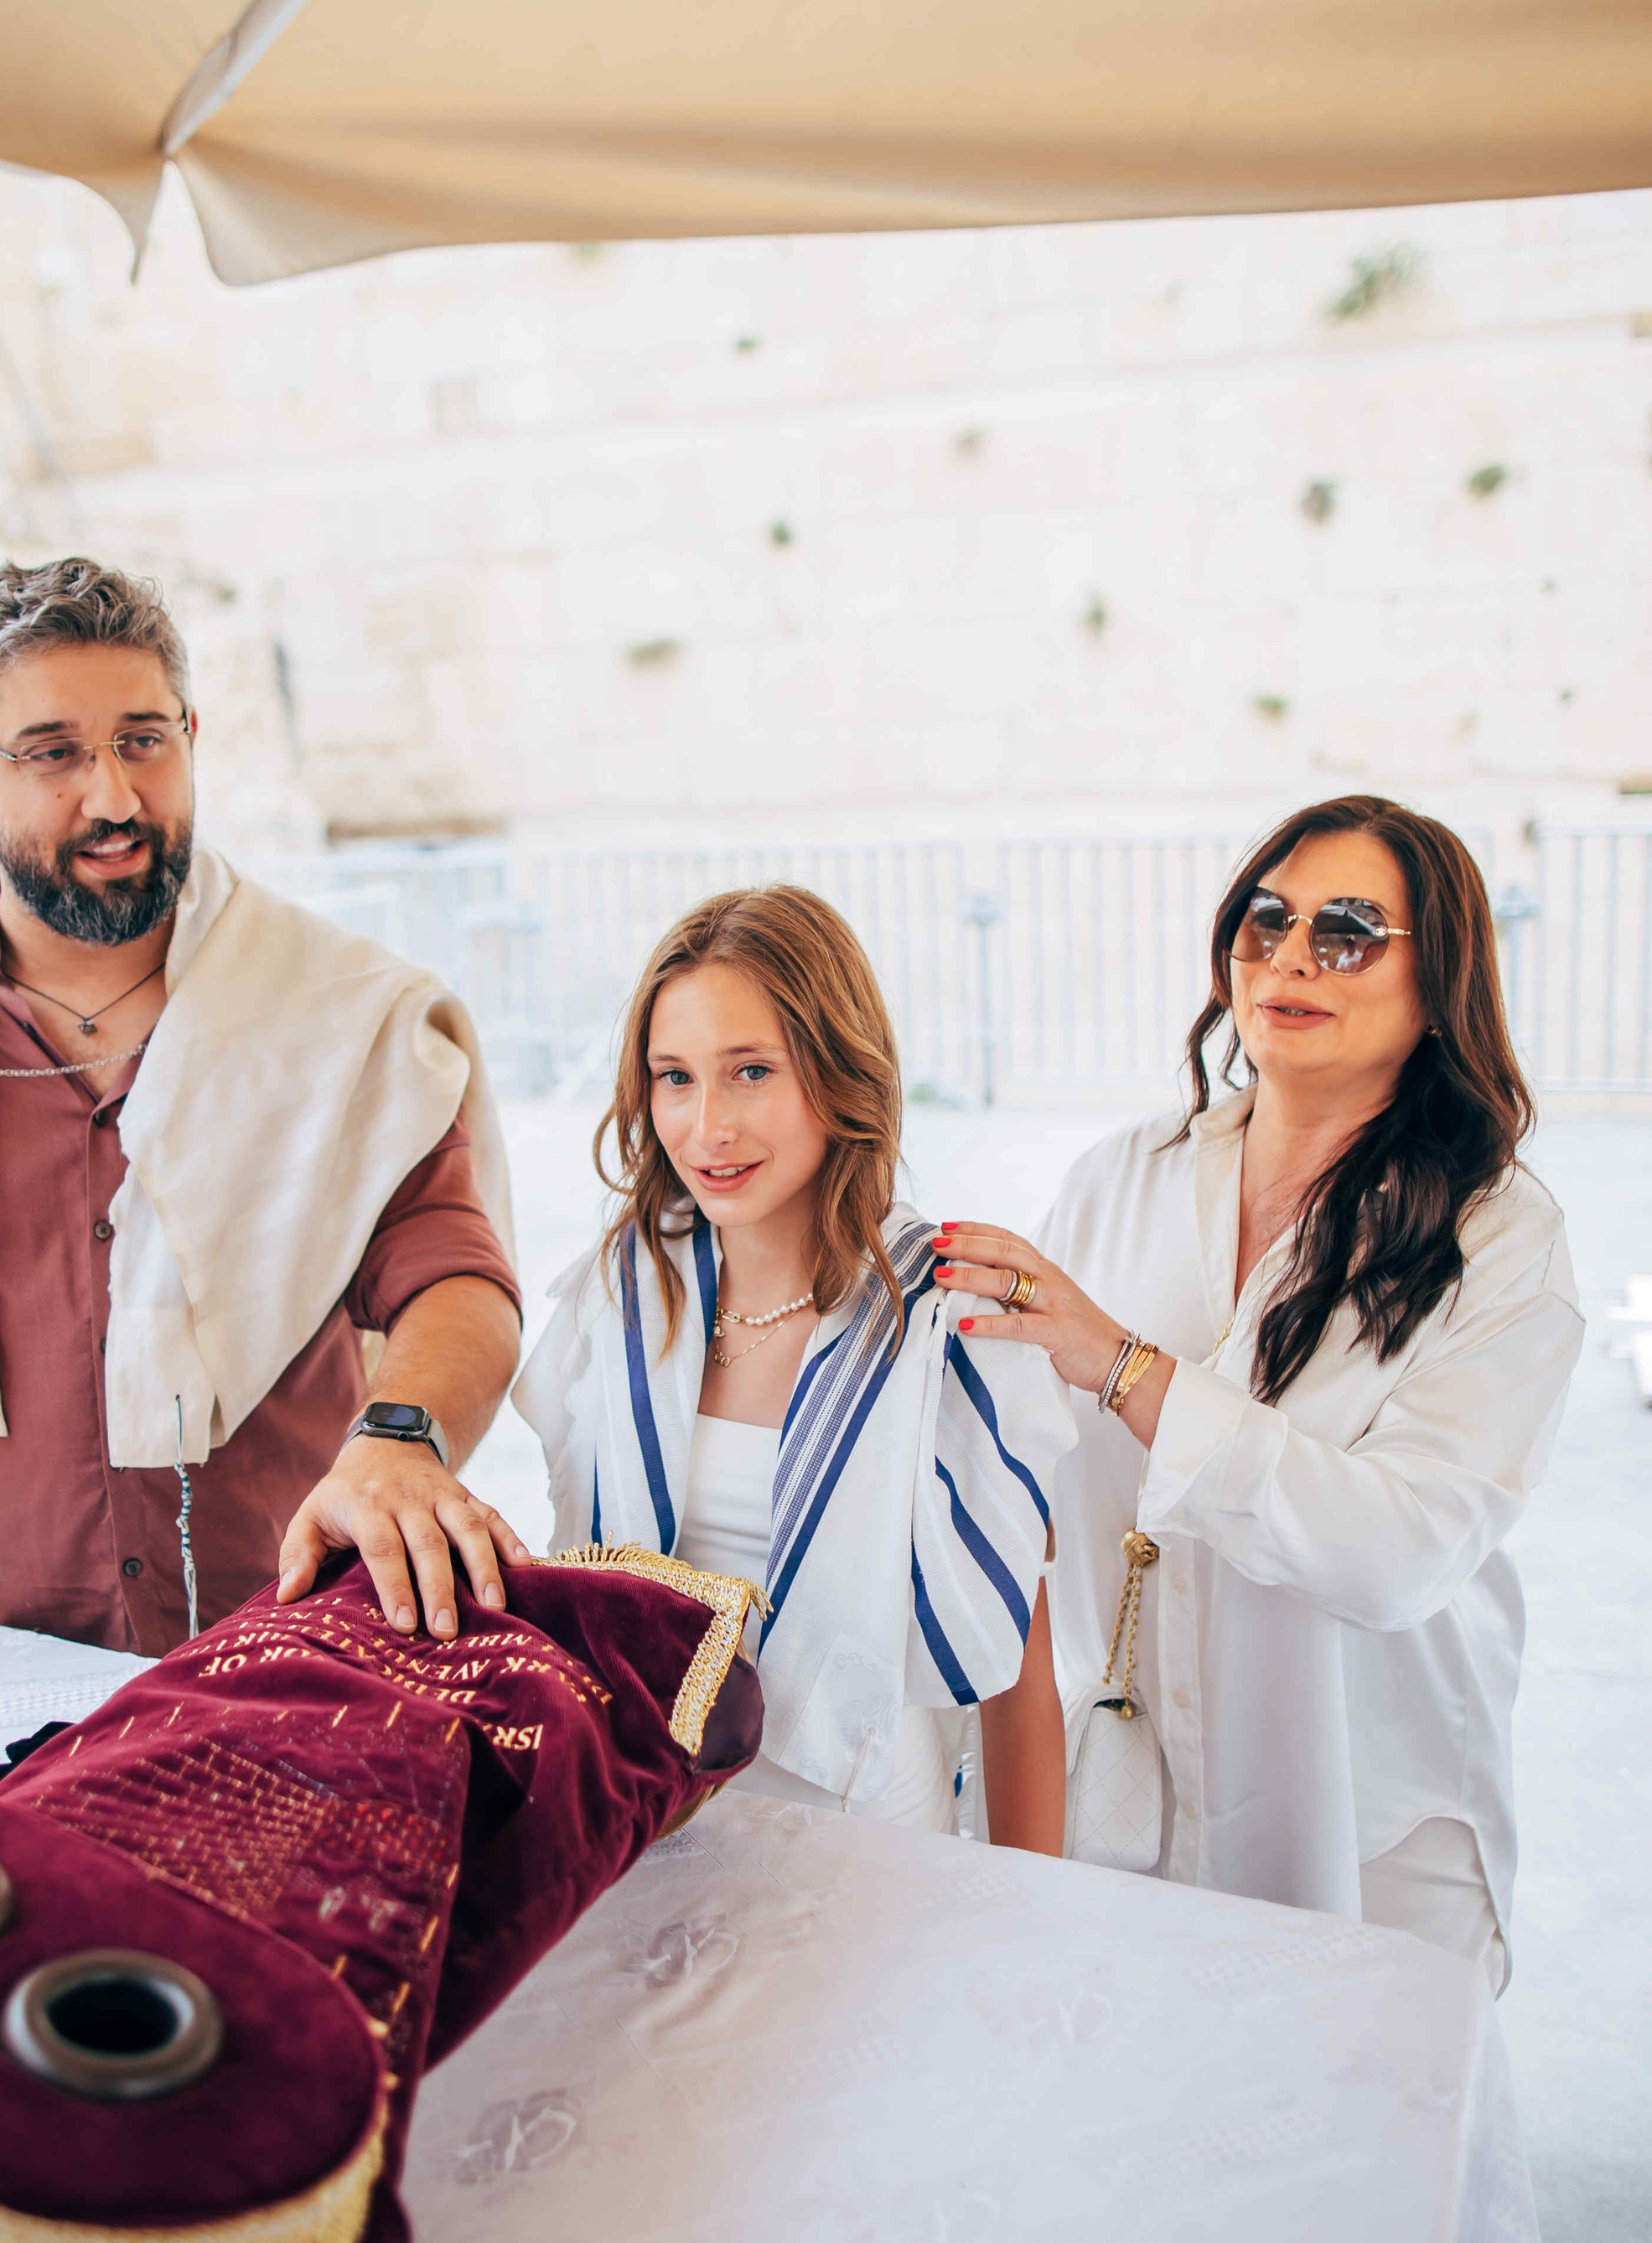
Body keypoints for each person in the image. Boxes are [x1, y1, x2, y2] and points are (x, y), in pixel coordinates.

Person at [0, 557, 527, 1666]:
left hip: (290, 1644)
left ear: (191, 734)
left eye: (144, 741)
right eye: (53, 755)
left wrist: (402, 1435)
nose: (115, 799)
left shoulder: (348, 1013)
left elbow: (454, 1275)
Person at [934, 795, 1581, 1987]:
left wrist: (1130, 1373)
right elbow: (1010, 1480)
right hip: (1125, 1812)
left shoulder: (1500, 1237)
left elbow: (1404, 1550)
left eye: (1346, 932)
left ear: (1439, 980)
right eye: (1265, 919)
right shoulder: (1124, 1177)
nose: (1290, 956)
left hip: (1366, 1831)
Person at [515, 888, 1075, 1845]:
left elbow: (1017, 1678)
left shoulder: (945, 1312)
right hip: (647, 1826)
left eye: (750, 1072)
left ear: (837, 1071)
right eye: (674, 1077)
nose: (706, 1128)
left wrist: (1035, 1915)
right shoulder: (620, 1292)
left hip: (869, 1844)